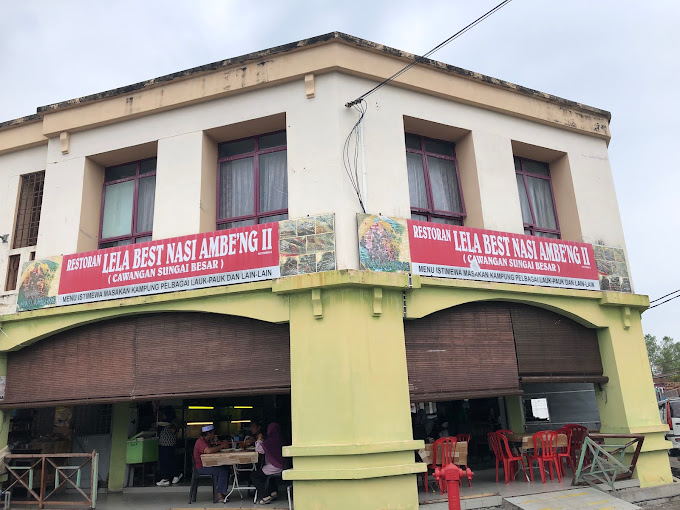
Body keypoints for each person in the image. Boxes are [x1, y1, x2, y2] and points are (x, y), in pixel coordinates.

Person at [193, 424, 231, 503]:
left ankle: (222, 491)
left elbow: (211, 449)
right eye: (213, 433)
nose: (214, 435)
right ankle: (219, 496)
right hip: (201, 468)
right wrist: (222, 446)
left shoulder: (206, 441)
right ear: (209, 433)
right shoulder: (200, 441)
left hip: (206, 465)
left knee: (226, 468)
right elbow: (208, 451)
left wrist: (215, 443)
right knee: (222, 471)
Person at [251, 423, 285, 505]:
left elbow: (259, 450)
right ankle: (273, 492)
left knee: (254, 476)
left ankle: (265, 496)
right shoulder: (281, 439)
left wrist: (259, 440)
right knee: (268, 475)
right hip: (282, 466)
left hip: (274, 466)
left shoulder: (270, 441)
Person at [156, 422, 182, 486]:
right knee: (165, 461)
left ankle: (171, 476)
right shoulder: (162, 423)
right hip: (163, 443)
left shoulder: (170, 422)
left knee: (168, 460)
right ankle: (168, 477)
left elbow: (174, 430)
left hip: (168, 443)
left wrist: (170, 426)